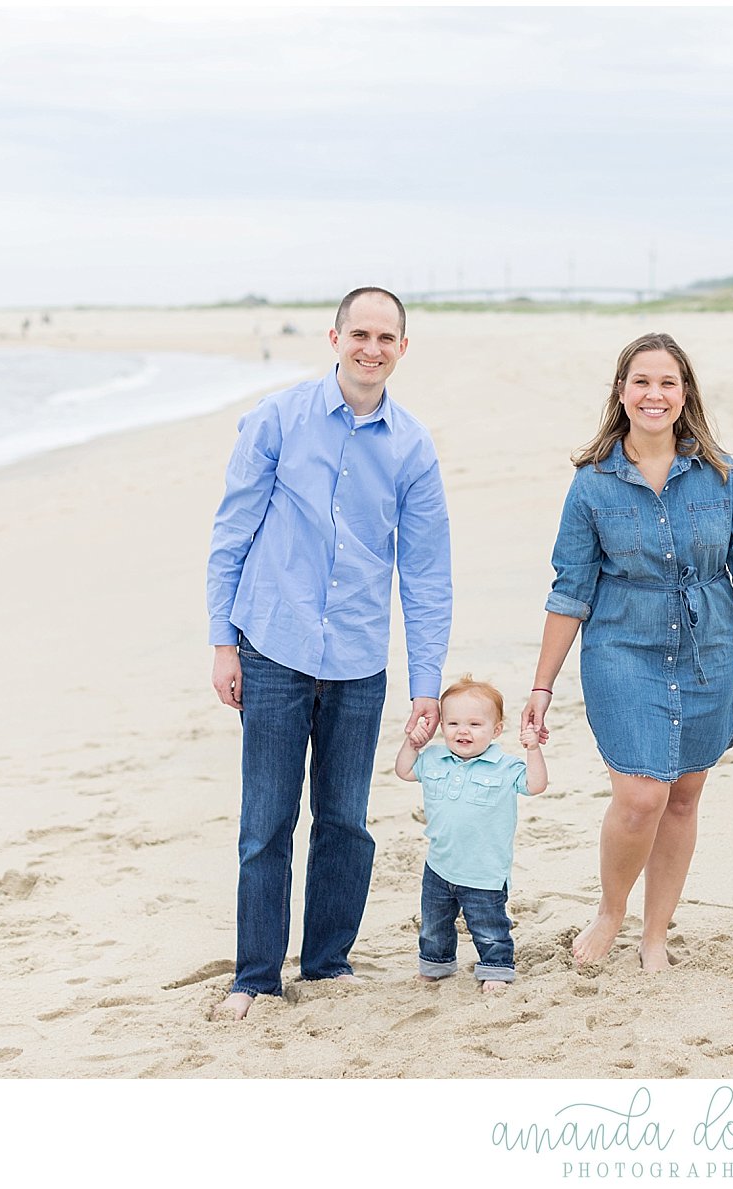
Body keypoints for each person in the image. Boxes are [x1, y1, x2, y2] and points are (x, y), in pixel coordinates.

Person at [520, 332, 733, 974]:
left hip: (707, 647)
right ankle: (612, 911)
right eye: (642, 382)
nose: (654, 394)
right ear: (622, 394)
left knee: (683, 796)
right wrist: (542, 687)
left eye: (668, 383)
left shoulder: (720, 474)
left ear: (685, 396)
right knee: (641, 797)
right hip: (621, 647)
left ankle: (656, 934)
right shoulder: (592, 485)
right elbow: (569, 589)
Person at [206, 286, 451, 1020]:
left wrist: (427, 682)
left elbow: (428, 571)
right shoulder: (276, 420)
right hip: (272, 646)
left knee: (345, 819)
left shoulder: (412, 445)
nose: (371, 349)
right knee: (267, 820)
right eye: (360, 334)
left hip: (356, 658)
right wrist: (223, 642)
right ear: (335, 337)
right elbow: (232, 532)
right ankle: (254, 975)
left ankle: (325, 962)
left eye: (386, 338)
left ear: (402, 349)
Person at [395, 675, 548, 993]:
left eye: (475, 724)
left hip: (484, 870)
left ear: (496, 730)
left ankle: (495, 966)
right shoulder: (435, 759)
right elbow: (405, 771)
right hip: (439, 865)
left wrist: (533, 750)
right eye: (453, 723)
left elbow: (536, 785)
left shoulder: (504, 767)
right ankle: (435, 965)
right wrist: (412, 743)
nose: (462, 731)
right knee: (434, 925)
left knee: (489, 926)